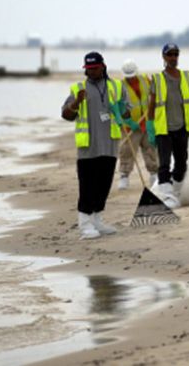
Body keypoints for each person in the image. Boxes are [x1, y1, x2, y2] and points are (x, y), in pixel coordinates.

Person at [61, 52, 130, 239]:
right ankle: (85, 225)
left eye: (94, 68)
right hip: (88, 148)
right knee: (87, 186)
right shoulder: (78, 88)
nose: (91, 72)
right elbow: (66, 115)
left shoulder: (116, 86)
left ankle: (97, 220)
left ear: (103, 66)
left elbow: (127, 113)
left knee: (104, 185)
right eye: (88, 69)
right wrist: (76, 102)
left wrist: (121, 109)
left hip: (109, 145)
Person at [147, 43, 189, 209]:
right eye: (170, 55)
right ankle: (167, 196)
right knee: (164, 164)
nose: (173, 58)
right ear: (163, 57)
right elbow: (152, 104)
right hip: (163, 128)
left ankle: (175, 193)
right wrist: (149, 125)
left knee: (182, 163)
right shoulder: (157, 79)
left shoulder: (186, 76)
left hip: (182, 127)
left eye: (176, 54)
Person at [116, 59, 159, 190]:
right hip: (130, 125)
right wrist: (127, 121)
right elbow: (118, 105)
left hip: (147, 123)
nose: (130, 78)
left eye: (132, 75)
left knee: (151, 148)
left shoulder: (146, 80)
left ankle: (154, 174)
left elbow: (155, 94)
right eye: (128, 76)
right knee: (127, 151)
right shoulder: (120, 86)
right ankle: (124, 176)